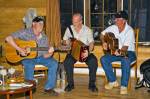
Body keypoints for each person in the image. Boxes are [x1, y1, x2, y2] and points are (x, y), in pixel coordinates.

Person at [5, 16, 58, 96]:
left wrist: (50, 53)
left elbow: (45, 56)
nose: (41, 26)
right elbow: (8, 38)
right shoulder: (25, 32)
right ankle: (27, 91)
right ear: (33, 24)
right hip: (28, 58)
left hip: (40, 57)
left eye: (42, 24)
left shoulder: (44, 37)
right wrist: (19, 49)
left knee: (54, 63)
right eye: (39, 23)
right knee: (29, 65)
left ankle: (48, 88)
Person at [100, 11, 136, 94]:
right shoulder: (113, 27)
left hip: (129, 52)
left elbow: (125, 48)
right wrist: (103, 42)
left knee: (125, 60)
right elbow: (102, 34)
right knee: (103, 59)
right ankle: (113, 81)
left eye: (118, 19)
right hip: (116, 51)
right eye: (115, 19)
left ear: (124, 21)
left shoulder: (129, 30)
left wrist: (119, 52)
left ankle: (124, 86)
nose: (115, 20)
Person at [63, 13, 98, 92]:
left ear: (81, 21)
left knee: (93, 61)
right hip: (73, 52)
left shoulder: (87, 30)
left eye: (76, 22)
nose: (73, 23)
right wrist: (67, 42)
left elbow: (92, 43)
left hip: (84, 52)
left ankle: (92, 84)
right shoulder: (69, 29)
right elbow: (64, 41)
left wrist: (88, 52)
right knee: (67, 61)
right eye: (73, 21)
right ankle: (70, 84)